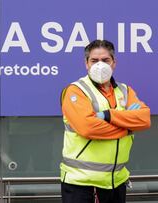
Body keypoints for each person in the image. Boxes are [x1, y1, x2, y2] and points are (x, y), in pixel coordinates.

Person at [60, 40, 151, 203]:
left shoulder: (125, 90)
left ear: (114, 63)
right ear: (86, 64)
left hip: (116, 181)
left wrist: (108, 115)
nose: (100, 65)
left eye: (105, 60)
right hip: (82, 184)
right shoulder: (76, 91)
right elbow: (88, 128)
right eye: (94, 61)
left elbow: (144, 119)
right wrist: (128, 126)